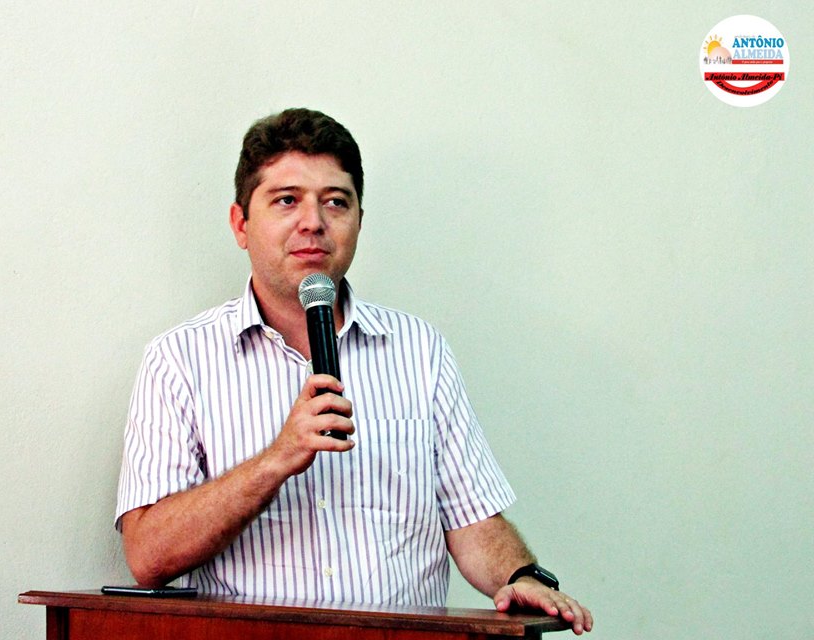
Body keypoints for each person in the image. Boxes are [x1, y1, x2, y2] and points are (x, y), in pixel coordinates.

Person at [115, 108, 593, 634]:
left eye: (335, 202)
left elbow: (472, 518)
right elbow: (148, 555)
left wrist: (520, 575)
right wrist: (277, 459)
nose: (313, 222)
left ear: (359, 221)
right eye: (287, 200)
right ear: (241, 224)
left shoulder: (418, 349)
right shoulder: (179, 360)